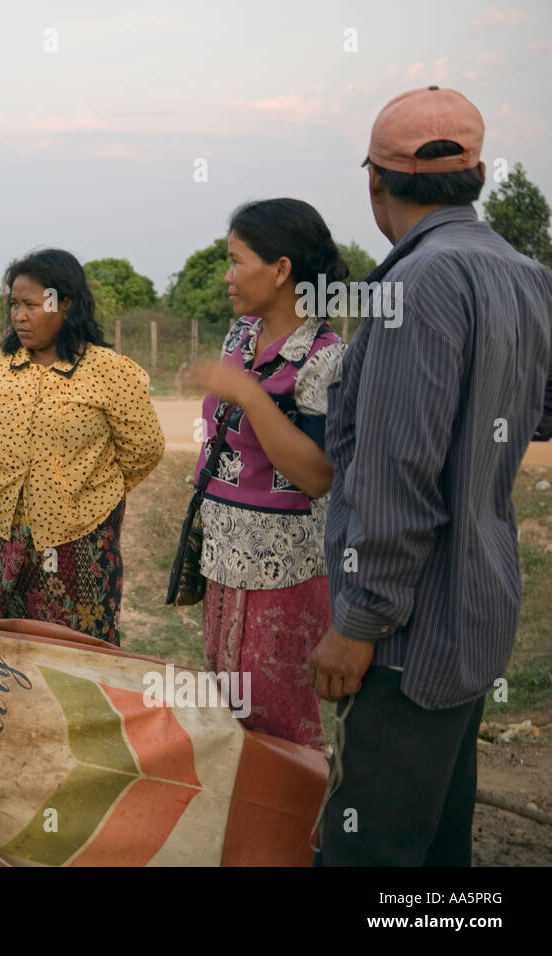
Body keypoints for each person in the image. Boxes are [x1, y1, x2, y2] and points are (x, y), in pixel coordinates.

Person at [310, 87, 552, 865]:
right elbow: (536, 415)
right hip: (475, 610)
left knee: (369, 849)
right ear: (477, 174)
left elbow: (396, 475)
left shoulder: (408, 288)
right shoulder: (523, 272)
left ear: (374, 182)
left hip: (406, 636)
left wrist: (359, 625)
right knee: (438, 843)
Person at [185, 199, 348, 750]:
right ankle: (247, 830)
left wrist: (251, 396)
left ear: (281, 271)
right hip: (226, 563)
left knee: (281, 726)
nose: (227, 277)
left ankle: (291, 832)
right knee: (232, 723)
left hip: (286, 576)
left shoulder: (325, 358)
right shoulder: (240, 336)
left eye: (237, 261)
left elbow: (318, 474)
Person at [0, 249, 164, 645]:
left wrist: (89, 490)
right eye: (14, 305)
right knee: (2, 650)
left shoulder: (109, 371)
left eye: (31, 305)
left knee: (76, 656)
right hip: (3, 541)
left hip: (81, 544)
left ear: (66, 304)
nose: (19, 316)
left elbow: (144, 447)